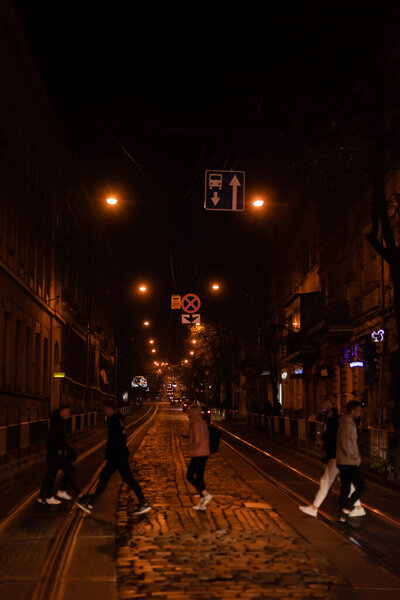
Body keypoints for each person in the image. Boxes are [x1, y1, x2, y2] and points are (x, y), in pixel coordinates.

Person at [76, 401, 150, 515]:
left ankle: (143, 503)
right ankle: (91, 501)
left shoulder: (114, 420)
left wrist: (113, 453)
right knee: (105, 478)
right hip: (117, 456)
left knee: (120, 479)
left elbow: (118, 438)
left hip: (117, 456)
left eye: (105, 409)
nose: (104, 411)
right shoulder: (117, 420)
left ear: (110, 409)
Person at [299, 406, 365, 518]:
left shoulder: (338, 424)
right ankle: (358, 508)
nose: (325, 413)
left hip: (336, 457)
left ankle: (314, 508)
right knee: (344, 482)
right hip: (339, 458)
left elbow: (341, 442)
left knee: (326, 481)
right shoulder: (343, 423)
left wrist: (353, 458)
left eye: (327, 411)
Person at [37, 405, 79, 505]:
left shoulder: (59, 421)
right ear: (62, 411)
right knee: (57, 474)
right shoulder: (57, 423)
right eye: (67, 412)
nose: (69, 414)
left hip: (57, 453)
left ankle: (48, 496)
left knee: (52, 474)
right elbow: (55, 438)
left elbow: (60, 438)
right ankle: (48, 496)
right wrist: (60, 449)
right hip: (56, 454)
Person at [337, 400, 366, 522]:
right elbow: (346, 443)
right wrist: (355, 457)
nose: (360, 413)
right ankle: (347, 508)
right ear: (353, 411)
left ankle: (342, 514)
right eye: (359, 411)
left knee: (346, 488)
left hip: (343, 461)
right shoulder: (348, 423)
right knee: (361, 486)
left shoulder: (344, 422)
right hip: (349, 461)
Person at [186, 404, 212, 511]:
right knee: (200, 477)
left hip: (198, 453)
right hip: (204, 453)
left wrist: (190, 447)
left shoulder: (196, 424)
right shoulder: (202, 423)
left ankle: (205, 494)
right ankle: (202, 503)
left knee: (189, 476)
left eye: (189, 412)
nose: (188, 413)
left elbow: (197, 441)